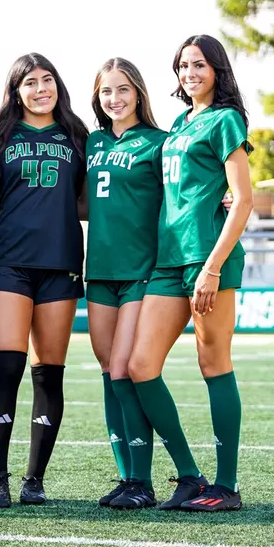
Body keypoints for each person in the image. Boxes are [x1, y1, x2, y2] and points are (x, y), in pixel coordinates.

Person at [126, 34, 254, 512]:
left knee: (213, 364)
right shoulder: (179, 124)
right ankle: (189, 475)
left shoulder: (226, 120)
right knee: (141, 366)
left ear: (217, 69)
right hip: (167, 260)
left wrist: (213, 268)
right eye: (183, 66)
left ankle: (227, 487)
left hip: (209, 261)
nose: (190, 73)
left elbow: (243, 200)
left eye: (199, 65)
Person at [0, 53, 89, 507]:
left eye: (48, 80)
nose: (41, 88)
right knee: (7, 366)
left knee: (49, 374)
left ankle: (34, 480)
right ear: (16, 91)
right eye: (30, 82)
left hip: (61, 263)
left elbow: (89, 200)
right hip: (11, 263)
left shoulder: (79, 136)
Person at [83, 58, 166, 510]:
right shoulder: (92, 142)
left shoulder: (158, 142)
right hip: (99, 271)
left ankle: (143, 480)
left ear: (138, 92)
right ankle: (125, 476)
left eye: (122, 90)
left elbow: (183, 188)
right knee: (106, 371)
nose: (114, 99)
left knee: (123, 370)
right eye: (106, 92)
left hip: (140, 272)